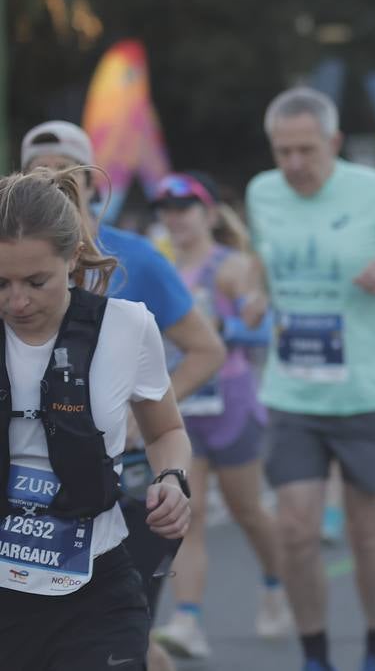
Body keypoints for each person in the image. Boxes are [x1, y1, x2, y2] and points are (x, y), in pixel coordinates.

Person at [247, 87, 375, 671]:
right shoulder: (263, 193)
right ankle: (315, 655)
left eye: (306, 150)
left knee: (367, 533)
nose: (293, 165)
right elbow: (267, 262)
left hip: (362, 392)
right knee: (295, 531)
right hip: (292, 391)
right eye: (282, 151)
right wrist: (258, 294)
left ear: (333, 142)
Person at [21, 120, 225, 671]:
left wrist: (146, 423)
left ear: (88, 179)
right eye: (37, 170)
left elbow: (207, 351)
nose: (50, 180)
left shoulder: (137, 263)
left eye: (62, 169)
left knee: (126, 631)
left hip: (124, 490)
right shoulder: (11, 267)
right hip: (21, 541)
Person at [0, 167, 192, 671]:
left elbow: (167, 431)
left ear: (73, 259)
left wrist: (172, 478)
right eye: (0, 282)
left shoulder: (128, 327)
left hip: (95, 589)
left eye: (35, 281)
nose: (17, 301)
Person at [147, 172, 292, 658]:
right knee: (192, 513)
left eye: (184, 207)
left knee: (249, 511)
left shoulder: (232, 267)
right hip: (181, 406)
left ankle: (276, 582)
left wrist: (225, 325)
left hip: (230, 402)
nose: (175, 218)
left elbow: (264, 332)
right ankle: (188, 620)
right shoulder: (156, 265)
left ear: (208, 214)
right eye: (166, 209)